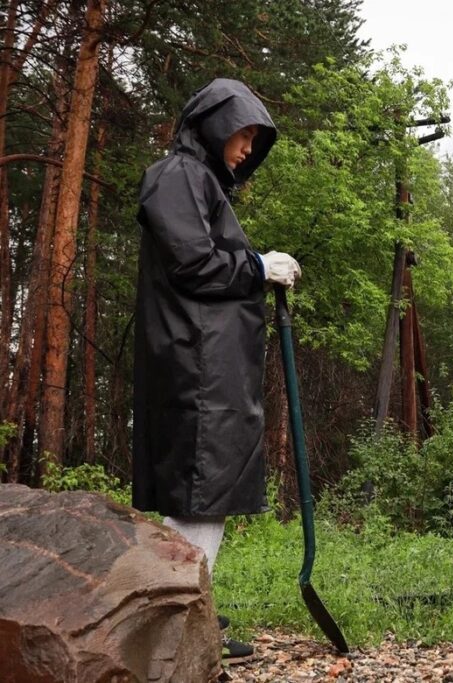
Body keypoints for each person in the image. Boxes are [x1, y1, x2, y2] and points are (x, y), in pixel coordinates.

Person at [132, 78, 302, 662]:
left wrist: (256, 268)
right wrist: (256, 267)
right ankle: (179, 623)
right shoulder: (176, 175)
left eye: (255, 137)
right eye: (242, 132)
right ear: (211, 124)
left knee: (209, 490)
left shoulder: (198, 181)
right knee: (200, 491)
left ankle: (188, 610)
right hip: (195, 370)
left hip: (209, 366)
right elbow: (193, 262)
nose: (248, 147)